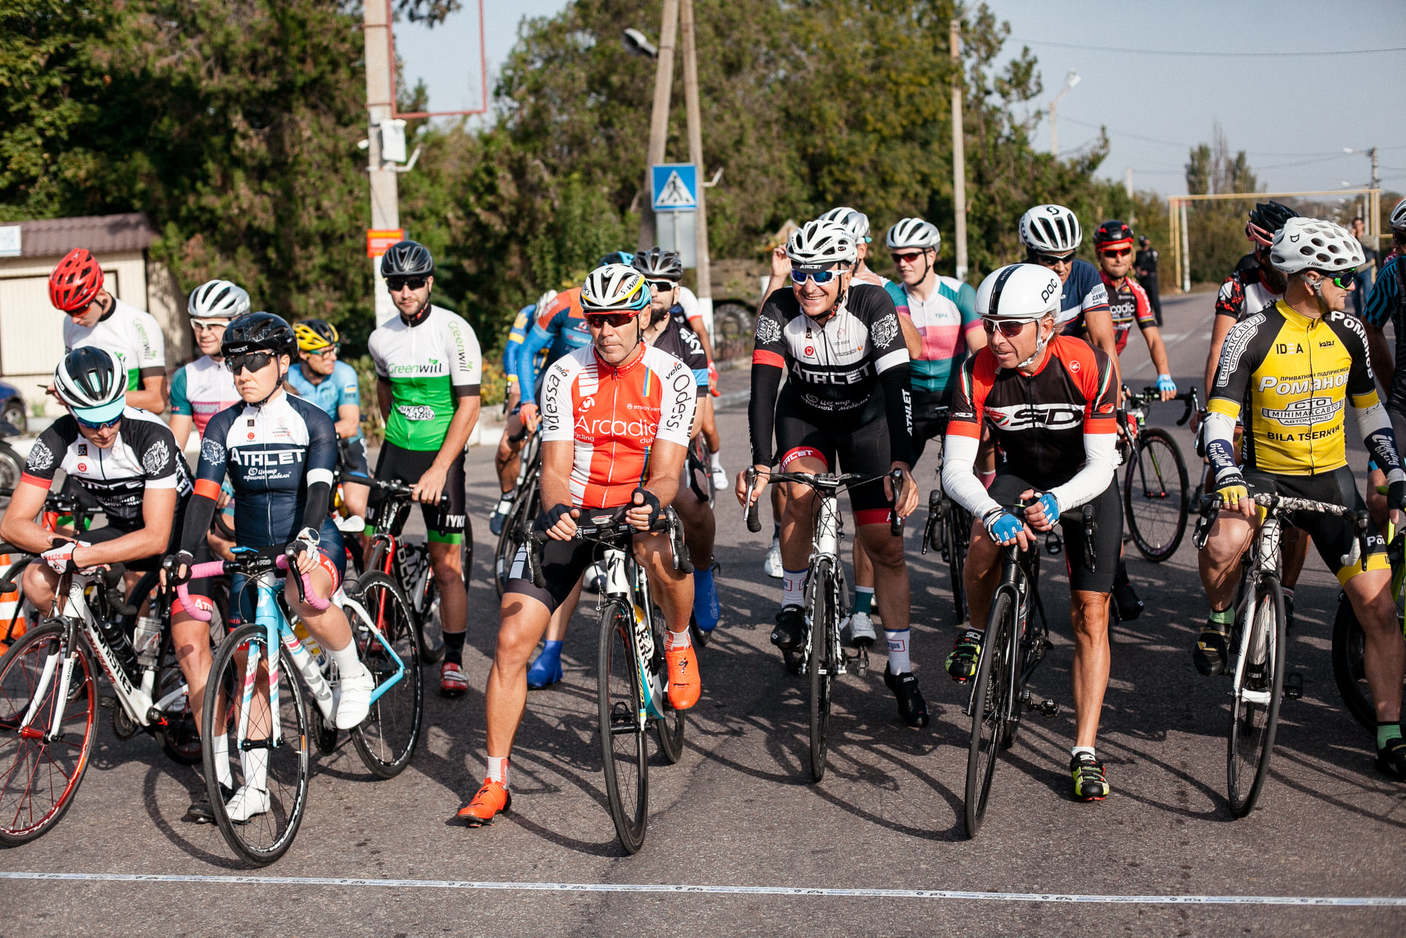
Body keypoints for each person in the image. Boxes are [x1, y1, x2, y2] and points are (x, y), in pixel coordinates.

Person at [458, 264, 701, 827]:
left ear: (643, 318)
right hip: (578, 507)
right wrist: (557, 509)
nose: (605, 330)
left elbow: (668, 472)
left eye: (617, 319)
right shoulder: (565, 372)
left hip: (639, 498)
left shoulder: (674, 375)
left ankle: (680, 641)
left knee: (659, 550)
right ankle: (496, 780)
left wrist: (652, 503)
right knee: (511, 639)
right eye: (596, 321)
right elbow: (552, 467)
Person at [1197, 217, 1406, 780]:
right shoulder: (1252, 331)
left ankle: (1390, 731)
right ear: (1311, 278)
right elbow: (1217, 421)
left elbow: (1369, 407)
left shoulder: (1351, 330)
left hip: (1330, 480)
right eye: (1344, 277)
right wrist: (1225, 471)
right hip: (1264, 477)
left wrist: (1391, 464)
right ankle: (1219, 618)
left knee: (1379, 608)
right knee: (1222, 544)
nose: (1353, 287)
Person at [0, 347, 223, 822]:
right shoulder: (56, 437)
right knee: (40, 579)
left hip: (179, 533)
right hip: (123, 529)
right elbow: (15, 523)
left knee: (189, 647)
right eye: (91, 420)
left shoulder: (150, 435)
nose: (104, 429)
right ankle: (93, 650)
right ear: (68, 406)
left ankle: (223, 776)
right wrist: (58, 545)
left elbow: (158, 535)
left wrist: (83, 554)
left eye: (111, 416)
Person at [167, 311, 373, 821]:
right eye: (235, 363)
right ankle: (254, 789)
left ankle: (353, 671)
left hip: (310, 535)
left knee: (305, 593)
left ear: (283, 362)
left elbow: (321, 488)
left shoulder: (312, 418)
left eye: (254, 361)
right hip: (251, 553)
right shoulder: (223, 424)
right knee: (251, 667)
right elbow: (204, 496)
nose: (242, 372)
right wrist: (187, 552)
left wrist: (306, 535)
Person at [942, 263, 1121, 801]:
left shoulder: (1089, 363)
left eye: (1011, 327)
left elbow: (1101, 466)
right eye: (990, 324)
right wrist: (994, 511)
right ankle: (977, 631)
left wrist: (1057, 501)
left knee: (1090, 614)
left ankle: (1085, 750)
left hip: (1081, 484)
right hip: (1018, 476)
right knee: (979, 543)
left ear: (1047, 324)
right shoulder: (976, 370)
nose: (996, 338)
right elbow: (955, 469)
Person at [738, 219, 924, 727]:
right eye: (800, 273)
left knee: (883, 544)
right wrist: (759, 460)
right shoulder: (780, 308)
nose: (808, 284)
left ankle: (902, 668)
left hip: (869, 425)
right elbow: (762, 388)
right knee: (798, 490)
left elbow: (899, 387)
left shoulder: (873, 305)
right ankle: (794, 606)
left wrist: (902, 463)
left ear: (845, 273)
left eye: (821, 272)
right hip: (808, 418)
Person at [368, 240, 482, 697]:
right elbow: (384, 392)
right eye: (397, 284)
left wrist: (437, 469)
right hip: (398, 449)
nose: (406, 291)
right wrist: (396, 438)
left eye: (415, 282)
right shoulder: (381, 337)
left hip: (443, 454)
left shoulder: (455, 331)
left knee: (448, 564)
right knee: (374, 546)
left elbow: (469, 406)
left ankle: (452, 659)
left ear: (429, 282)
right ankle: (380, 625)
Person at [1091, 219, 1178, 620]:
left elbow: (1154, 336)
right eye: (1112, 253)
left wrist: (1164, 374)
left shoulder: (1136, 291)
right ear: (1099, 255)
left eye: (1126, 251)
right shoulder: (1090, 287)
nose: (1120, 258)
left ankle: (1117, 572)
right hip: (1083, 375)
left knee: (1108, 475)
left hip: (1112, 376)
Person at [634, 248, 721, 641]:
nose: (653, 292)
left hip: (673, 444)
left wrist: (664, 448)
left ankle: (702, 576)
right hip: (626, 448)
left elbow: (699, 417)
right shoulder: (618, 333)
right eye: (645, 284)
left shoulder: (687, 342)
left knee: (695, 510)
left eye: (662, 286)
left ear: (676, 292)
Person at [49, 248, 166, 413]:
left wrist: (90, 397)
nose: (74, 319)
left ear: (101, 295)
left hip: (132, 426)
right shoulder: (69, 324)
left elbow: (157, 401)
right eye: (68, 312)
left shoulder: (141, 324)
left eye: (80, 310)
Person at [1017, 204, 1118, 384]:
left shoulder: (1085, 274)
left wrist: (1113, 402)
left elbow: (1104, 343)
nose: (1061, 268)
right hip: (1028, 373)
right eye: (1050, 260)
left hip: (1074, 369)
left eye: (1068, 257)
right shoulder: (1017, 280)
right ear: (1031, 255)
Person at [288, 319, 370, 523]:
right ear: (304, 354)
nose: (333, 357)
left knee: (357, 508)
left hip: (346, 445)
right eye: (324, 352)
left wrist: (314, 436)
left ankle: (369, 554)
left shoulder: (344, 373)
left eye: (334, 349)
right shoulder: (288, 376)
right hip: (306, 448)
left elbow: (350, 425)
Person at [489, 291, 555, 537]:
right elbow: (512, 351)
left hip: (552, 381)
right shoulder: (526, 314)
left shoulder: (565, 320)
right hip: (527, 379)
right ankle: (507, 497)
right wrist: (512, 380)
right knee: (507, 445)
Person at [169, 280, 247, 450]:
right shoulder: (186, 376)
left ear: (238, 323)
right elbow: (175, 450)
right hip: (212, 473)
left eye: (214, 326)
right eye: (198, 325)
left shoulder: (260, 369)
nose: (204, 333)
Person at [1364, 198, 1406, 434]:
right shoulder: (1393, 272)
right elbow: (1370, 328)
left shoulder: (1393, 271)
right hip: (1402, 400)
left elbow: (1370, 327)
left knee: (1382, 469)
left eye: (1401, 238)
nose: (1395, 245)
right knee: (1382, 469)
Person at [1350, 216, 1378, 318]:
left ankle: (1369, 317)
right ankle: (1358, 317)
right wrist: (1352, 238)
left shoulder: (1368, 238)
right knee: (1355, 296)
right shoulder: (1350, 237)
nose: (1357, 227)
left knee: (1367, 295)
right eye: (1355, 225)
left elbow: (1374, 252)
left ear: (1363, 225)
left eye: (1359, 224)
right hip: (1354, 271)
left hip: (1366, 268)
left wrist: (1377, 268)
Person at [1134, 235, 1163, 325]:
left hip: (1151, 278)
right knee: (1145, 300)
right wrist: (1138, 270)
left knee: (1154, 299)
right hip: (1143, 280)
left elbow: (1153, 265)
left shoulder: (1152, 252)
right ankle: (1148, 320)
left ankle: (1159, 320)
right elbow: (1136, 264)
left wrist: (1145, 270)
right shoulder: (1139, 253)